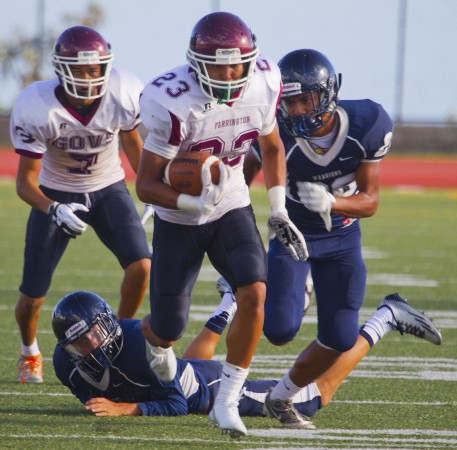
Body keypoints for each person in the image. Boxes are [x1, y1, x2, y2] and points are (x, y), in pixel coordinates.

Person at [242, 48, 442, 428]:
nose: (299, 110)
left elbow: (370, 202)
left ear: (328, 93)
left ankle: (282, 398)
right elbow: (241, 180)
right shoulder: (274, 131)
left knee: (341, 336)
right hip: (293, 236)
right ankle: (294, 289)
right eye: (290, 102)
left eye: (306, 99)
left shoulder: (367, 122)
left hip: (341, 240)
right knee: (279, 329)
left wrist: (335, 202)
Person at [134, 12, 307, 438]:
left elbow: (271, 148)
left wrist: (278, 208)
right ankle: (147, 341)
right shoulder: (170, 100)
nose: (229, 75)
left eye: (236, 64)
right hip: (178, 217)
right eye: (217, 65)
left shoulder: (266, 81)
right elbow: (145, 184)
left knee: (254, 292)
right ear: (195, 64)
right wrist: (190, 200)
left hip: (231, 203)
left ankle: (226, 401)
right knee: (168, 327)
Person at [52, 289, 441, 426]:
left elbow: (173, 403)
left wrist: (124, 410)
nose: (89, 348)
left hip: (209, 389)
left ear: (108, 325)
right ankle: (228, 300)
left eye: (93, 336)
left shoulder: (138, 339)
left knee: (311, 396)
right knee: (182, 367)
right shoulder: (65, 364)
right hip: (186, 374)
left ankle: (386, 317)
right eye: (78, 344)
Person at [9, 26, 151, 384]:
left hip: (108, 187)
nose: (87, 79)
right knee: (32, 297)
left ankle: (117, 337)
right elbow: (24, 181)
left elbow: (133, 144)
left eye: (93, 70)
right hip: (57, 192)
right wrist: (53, 208)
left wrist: (151, 190)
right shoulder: (37, 105)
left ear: (106, 67)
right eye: (78, 70)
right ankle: (29, 352)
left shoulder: (122, 91)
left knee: (142, 266)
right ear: (61, 69)